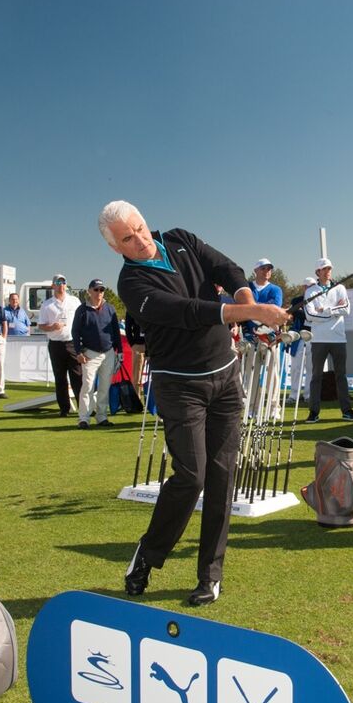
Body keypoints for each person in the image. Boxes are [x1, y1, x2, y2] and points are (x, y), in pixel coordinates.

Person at [100, 200, 288, 606]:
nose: (140, 240)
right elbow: (189, 312)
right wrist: (250, 310)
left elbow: (226, 268)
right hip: (179, 387)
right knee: (192, 476)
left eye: (140, 228)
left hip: (225, 378)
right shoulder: (131, 284)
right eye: (127, 239)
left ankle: (210, 575)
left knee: (223, 476)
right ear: (116, 247)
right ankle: (148, 556)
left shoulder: (180, 239)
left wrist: (244, 297)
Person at [304, 257, 353, 423]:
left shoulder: (340, 288)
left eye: (329, 269)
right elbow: (310, 315)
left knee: (341, 376)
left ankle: (347, 411)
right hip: (318, 340)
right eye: (324, 269)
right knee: (316, 376)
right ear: (318, 272)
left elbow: (346, 309)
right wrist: (334, 312)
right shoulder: (310, 291)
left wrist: (325, 310)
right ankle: (314, 412)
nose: (328, 272)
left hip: (338, 339)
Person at [72, 279, 121, 429]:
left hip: (108, 352)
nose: (99, 293)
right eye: (96, 289)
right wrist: (78, 352)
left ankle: (101, 416)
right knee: (87, 386)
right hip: (90, 353)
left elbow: (116, 332)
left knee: (104, 387)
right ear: (89, 291)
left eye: (101, 290)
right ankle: (84, 418)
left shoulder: (110, 308)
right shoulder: (82, 310)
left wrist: (120, 352)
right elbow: (75, 332)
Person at [38, 274, 83, 417]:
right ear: (53, 286)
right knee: (60, 377)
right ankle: (64, 408)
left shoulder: (74, 301)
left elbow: (82, 320)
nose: (61, 285)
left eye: (63, 282)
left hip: (72, 343)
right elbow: (41, 325)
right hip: (56, 344)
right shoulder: (47, 304)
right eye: (58, 282)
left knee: (77, 376)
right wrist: (52, 327)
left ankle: (83, 407)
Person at [286, 278, 313, 404]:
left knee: (311, 368)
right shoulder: (296, 301)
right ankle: (294, 395)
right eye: (307, 286)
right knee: (296, 368)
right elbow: (291, 315)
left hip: (313, 337)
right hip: (299, 338)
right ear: (304, 287)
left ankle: (308, 395)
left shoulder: (320, 300)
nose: (309, 288)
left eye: (312, 286)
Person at [243, 258, 283, 339]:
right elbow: (242, 305)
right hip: (248, 333)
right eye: (263, 268)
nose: (266, 271)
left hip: (269, 333)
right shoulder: (246, 287)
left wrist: (253, 306)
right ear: (255, 270)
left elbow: (274, 309)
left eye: (269, 269)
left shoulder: (276, 289)